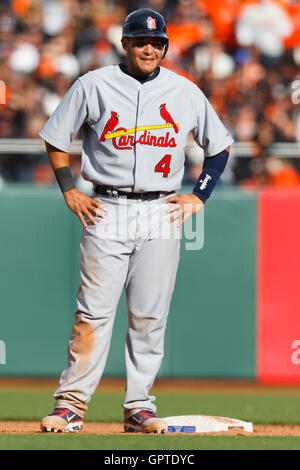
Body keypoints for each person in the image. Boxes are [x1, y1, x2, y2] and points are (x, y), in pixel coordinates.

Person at [39, 8, 233, 434]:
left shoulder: (184, 91)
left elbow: (219, 148)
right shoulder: (94, 84)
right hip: (107, 206)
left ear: (164, 46)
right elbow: (56, 138)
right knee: (93, 314)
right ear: (125, 43)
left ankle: (139, 407)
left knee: (150, 315)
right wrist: (69, 188)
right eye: (141, 41)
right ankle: (70, 405)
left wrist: (199, 195)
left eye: (157, 42)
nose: (150, 48)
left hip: (161, 208)